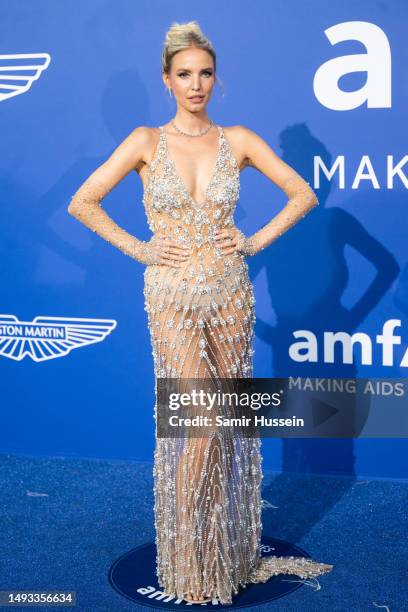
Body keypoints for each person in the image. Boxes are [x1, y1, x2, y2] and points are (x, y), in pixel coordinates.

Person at [67, 20, 333, 606]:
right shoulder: (143, 141)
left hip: (232, 294)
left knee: (227, 425)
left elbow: (303, 194)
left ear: (216, 79)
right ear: (167, 80)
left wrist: (254, 241)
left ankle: (225, 553)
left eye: (205, 73)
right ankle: (188, 558)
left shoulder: (236, 139)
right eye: (185, 74)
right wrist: (141, 248)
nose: (196, 84)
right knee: (201, 424)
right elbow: (83, 202)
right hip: (171, 296)